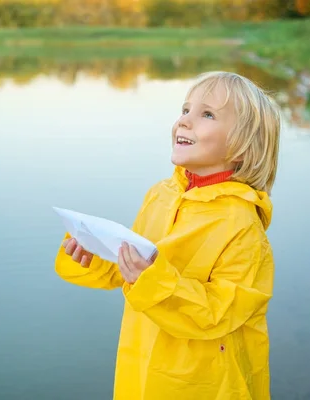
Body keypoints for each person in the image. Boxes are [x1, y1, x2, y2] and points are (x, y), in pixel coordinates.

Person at [53, 70, 281, 400]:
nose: (185, 121)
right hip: (143, 358)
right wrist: (95, 254)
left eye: (207, 114)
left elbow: (220, 312)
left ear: (243, 147)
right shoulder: (161, 194)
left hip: (204, 381)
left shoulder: (241, 224)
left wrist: (153, 279)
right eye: (186, 109)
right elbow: (133, 267)